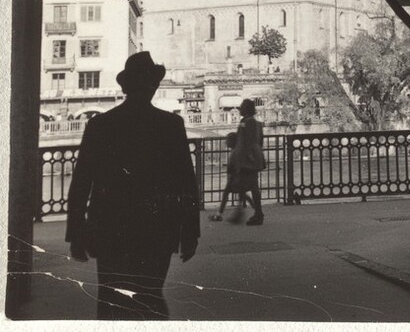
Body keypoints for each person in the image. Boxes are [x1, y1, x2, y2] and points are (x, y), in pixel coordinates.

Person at [65, 51, 200, 320]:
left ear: (125, 87)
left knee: (112, 299)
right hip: (158, 228)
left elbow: (81, 182)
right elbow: (186, 182)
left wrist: (76, 232)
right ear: (153, 86)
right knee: (149, 295)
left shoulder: (100, 124)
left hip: (110, 227)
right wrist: (190, 231)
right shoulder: (171, 125)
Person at [232, 98, 266, 226]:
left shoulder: (243, 123)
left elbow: (241, 143)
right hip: (256, 156)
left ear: (245, 109)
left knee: (246, 185)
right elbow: (260, 141)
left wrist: (239, 160)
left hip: (247, 158)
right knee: (253, 186)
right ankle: (256, 212)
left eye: (241, 107)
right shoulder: (258, 124)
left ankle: (257, 213)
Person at [209, 131, 253, 222]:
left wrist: (231, 177)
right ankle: (256, 210)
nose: (226, 142)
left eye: (228, 141)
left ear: (232, 142)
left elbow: (232, 166)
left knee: (227, 193)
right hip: (240, 177)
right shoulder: (238, 151)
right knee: (242, 194)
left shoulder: (234, 153)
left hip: (235, 177)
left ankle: (219, 214)